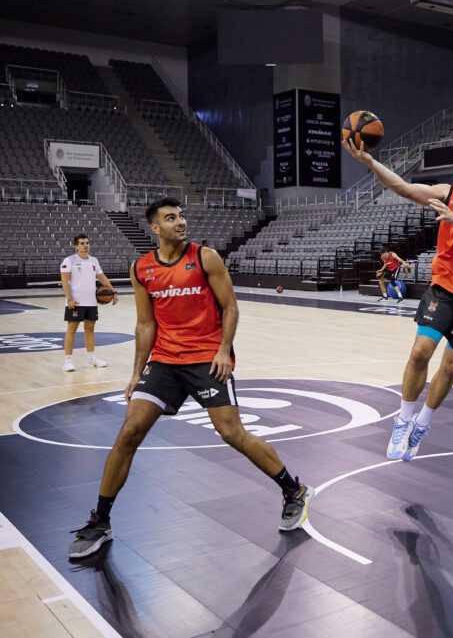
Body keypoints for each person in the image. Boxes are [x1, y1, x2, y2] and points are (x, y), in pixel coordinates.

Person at [68, 198, 312, 559]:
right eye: (171, 218)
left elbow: (230, 305)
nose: (180, 222)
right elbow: (145, 323)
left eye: (181, 216)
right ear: (155, 227)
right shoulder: (142, 269)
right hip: (165, 361)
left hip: (206, 358)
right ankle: (100, 520)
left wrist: (223, 349)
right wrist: (136, 373)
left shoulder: (205, 257)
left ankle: (293, 490)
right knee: (129, 431)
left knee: (231, 433)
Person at [342, 139, 453, 462]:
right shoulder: (449, 192)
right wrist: (370, 163)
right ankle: (403, 418)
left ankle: (423, 422)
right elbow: (404, 188)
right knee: (420, 351)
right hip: (443, 287)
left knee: (451, 366)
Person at [60, 233, 118, 372]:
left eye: (87, 242)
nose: (85, 245)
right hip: (76, 301)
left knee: (90, 329)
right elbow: (65, 281)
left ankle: (91, 357)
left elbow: (102, 277)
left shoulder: (94, 261)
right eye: (82, 243)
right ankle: (67, 361)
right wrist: (69, 299)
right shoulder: (69, 261)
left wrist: (113, 292)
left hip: (91, 301)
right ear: (76, 246)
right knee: (72, 329)